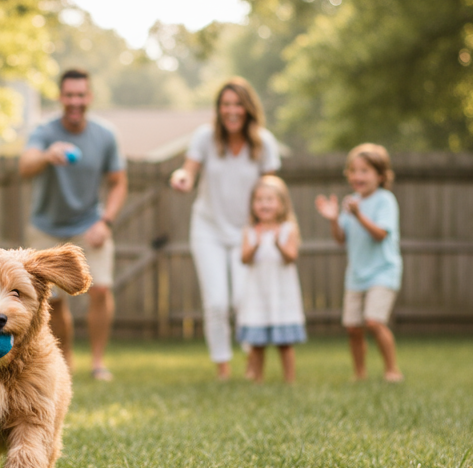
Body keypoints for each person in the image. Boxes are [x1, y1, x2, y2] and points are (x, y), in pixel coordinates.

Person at [169, 78, 282, 380]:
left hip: (246, 232)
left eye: (237, 104)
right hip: (208, 229)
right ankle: (222, 366)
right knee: (217, 301)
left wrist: (269, 227)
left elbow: (271, 187)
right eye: (226, 105)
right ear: (219, 109)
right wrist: (182, 178)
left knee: (243, 300)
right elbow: (189, 169)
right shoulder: (206, 137)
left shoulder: (264, 143)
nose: (232, 111)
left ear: (248, 108)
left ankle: (251, 363)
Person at [18, 68, 127, 381]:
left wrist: (106, 221)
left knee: (101, 289)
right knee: (52, 300)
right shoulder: (44, 132)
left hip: (90, 223)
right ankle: (63, 359)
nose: (75, 101)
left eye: (81, 95)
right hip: (46, 227)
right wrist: (47, 156)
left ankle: (98, 362)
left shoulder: (105, 135)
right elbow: (25, 166)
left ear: (89, 97)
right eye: (69, 95)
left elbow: (119, 183)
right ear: (60, 97)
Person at [315, 143, 403, 382]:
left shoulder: (385, 200)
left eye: (364, 171)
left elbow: (380, 234)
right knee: (353, 327)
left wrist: (358, 215)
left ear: (381, 175)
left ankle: (392, 370)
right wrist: (334, 219)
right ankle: (360, 374)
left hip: (383, 271)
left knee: (374, 322)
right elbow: (340, 239)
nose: (357, 176)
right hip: (356, 273)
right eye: (353, 171)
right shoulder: (350, 202)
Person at [237, 176, 306, 383]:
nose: (264, 204)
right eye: (259, 200)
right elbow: (244, 259)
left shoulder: (288, 229)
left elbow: (291, 257)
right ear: (252, 205)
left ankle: (290, 379)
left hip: (281, 292)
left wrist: (278, 243)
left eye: (269, 199)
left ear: (281, 203)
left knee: (284, 343)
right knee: (257, 343)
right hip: (258, 292)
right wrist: (256, 244)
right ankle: (257, 378)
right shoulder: (249, 231)